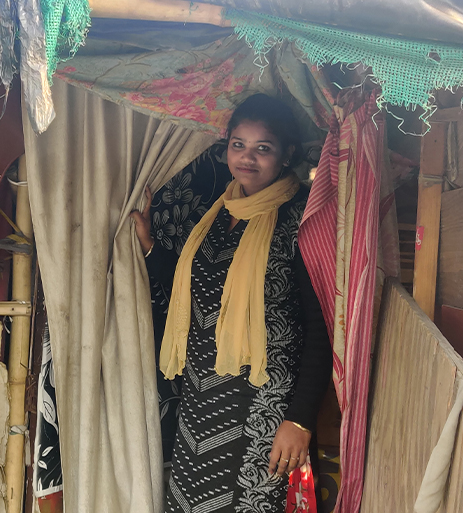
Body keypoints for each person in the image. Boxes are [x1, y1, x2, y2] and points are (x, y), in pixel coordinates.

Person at [131, 94, 333, 512]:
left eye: (263, 148)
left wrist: (299, 420)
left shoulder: (300, 220)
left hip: (261, 409)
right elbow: (201, 287)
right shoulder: (219, 212)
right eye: (239, 144)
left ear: (286, 154)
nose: (248, 158)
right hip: (202, 396)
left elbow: (321, 328)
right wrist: (151, 247)